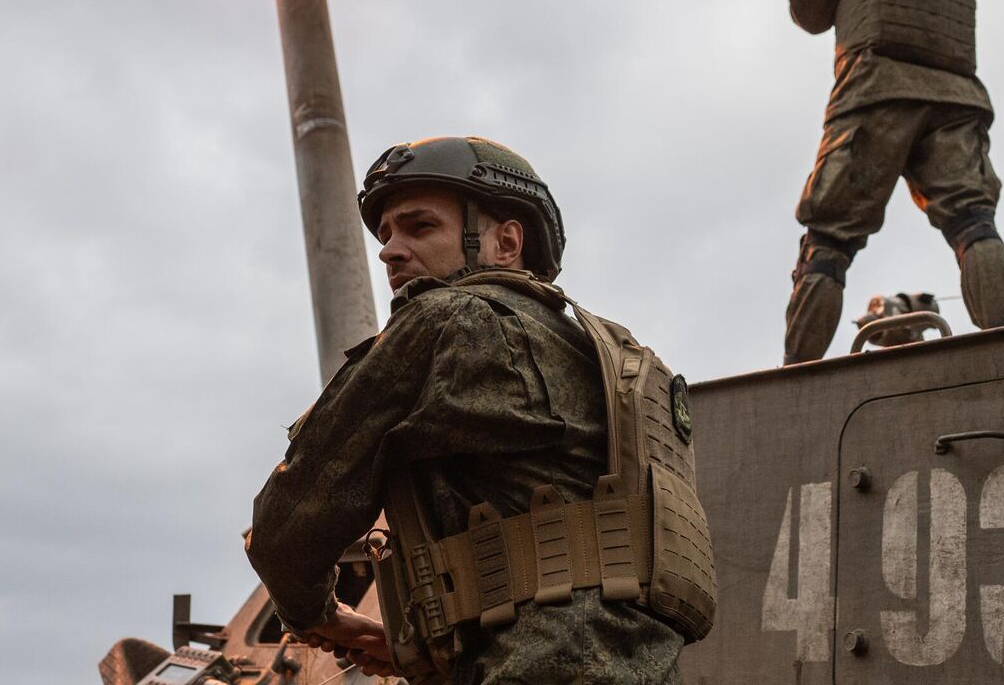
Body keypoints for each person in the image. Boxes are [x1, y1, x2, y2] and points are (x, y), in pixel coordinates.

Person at [246, 136, 714, 684]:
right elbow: (555, 572)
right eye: (386, 234)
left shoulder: (445, 322)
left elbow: (292, 524)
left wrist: (317, 616)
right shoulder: (612, 357)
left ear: (506, 241)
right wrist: (417, 647)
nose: (389, 250)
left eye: (420, 227)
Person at [783, 0, 1004, 365]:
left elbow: (809, 10)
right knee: (974, 223)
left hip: (874, 86)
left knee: (829, 239)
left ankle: (796, 378)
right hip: (956, 95)